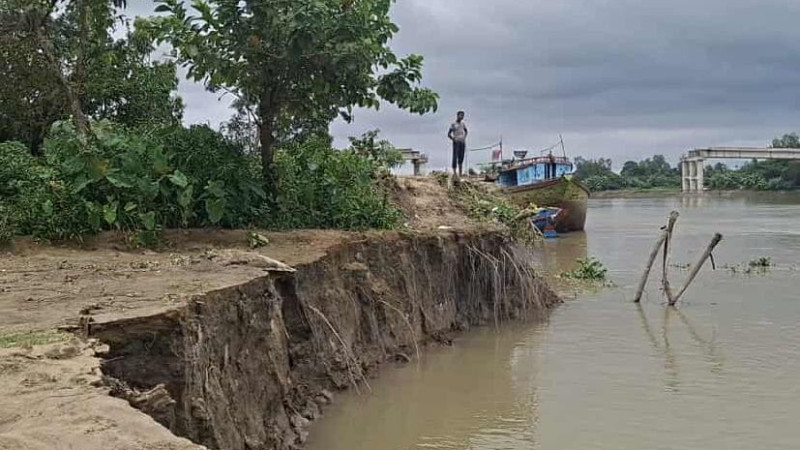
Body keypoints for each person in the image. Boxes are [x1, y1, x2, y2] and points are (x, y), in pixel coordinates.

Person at [448, 111, 468, 177]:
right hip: (456, 142)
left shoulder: (463, 123)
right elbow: (449, 134)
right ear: (457, 115)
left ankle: (460, 173)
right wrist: (453, 138)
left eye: (463, 116)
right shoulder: (453, 124)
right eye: (461, 115)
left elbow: (466, 131)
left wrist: (464, 137)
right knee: (455, 156)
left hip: (462, 142)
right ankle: (454, 172)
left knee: (461, 157)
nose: (462, 117)